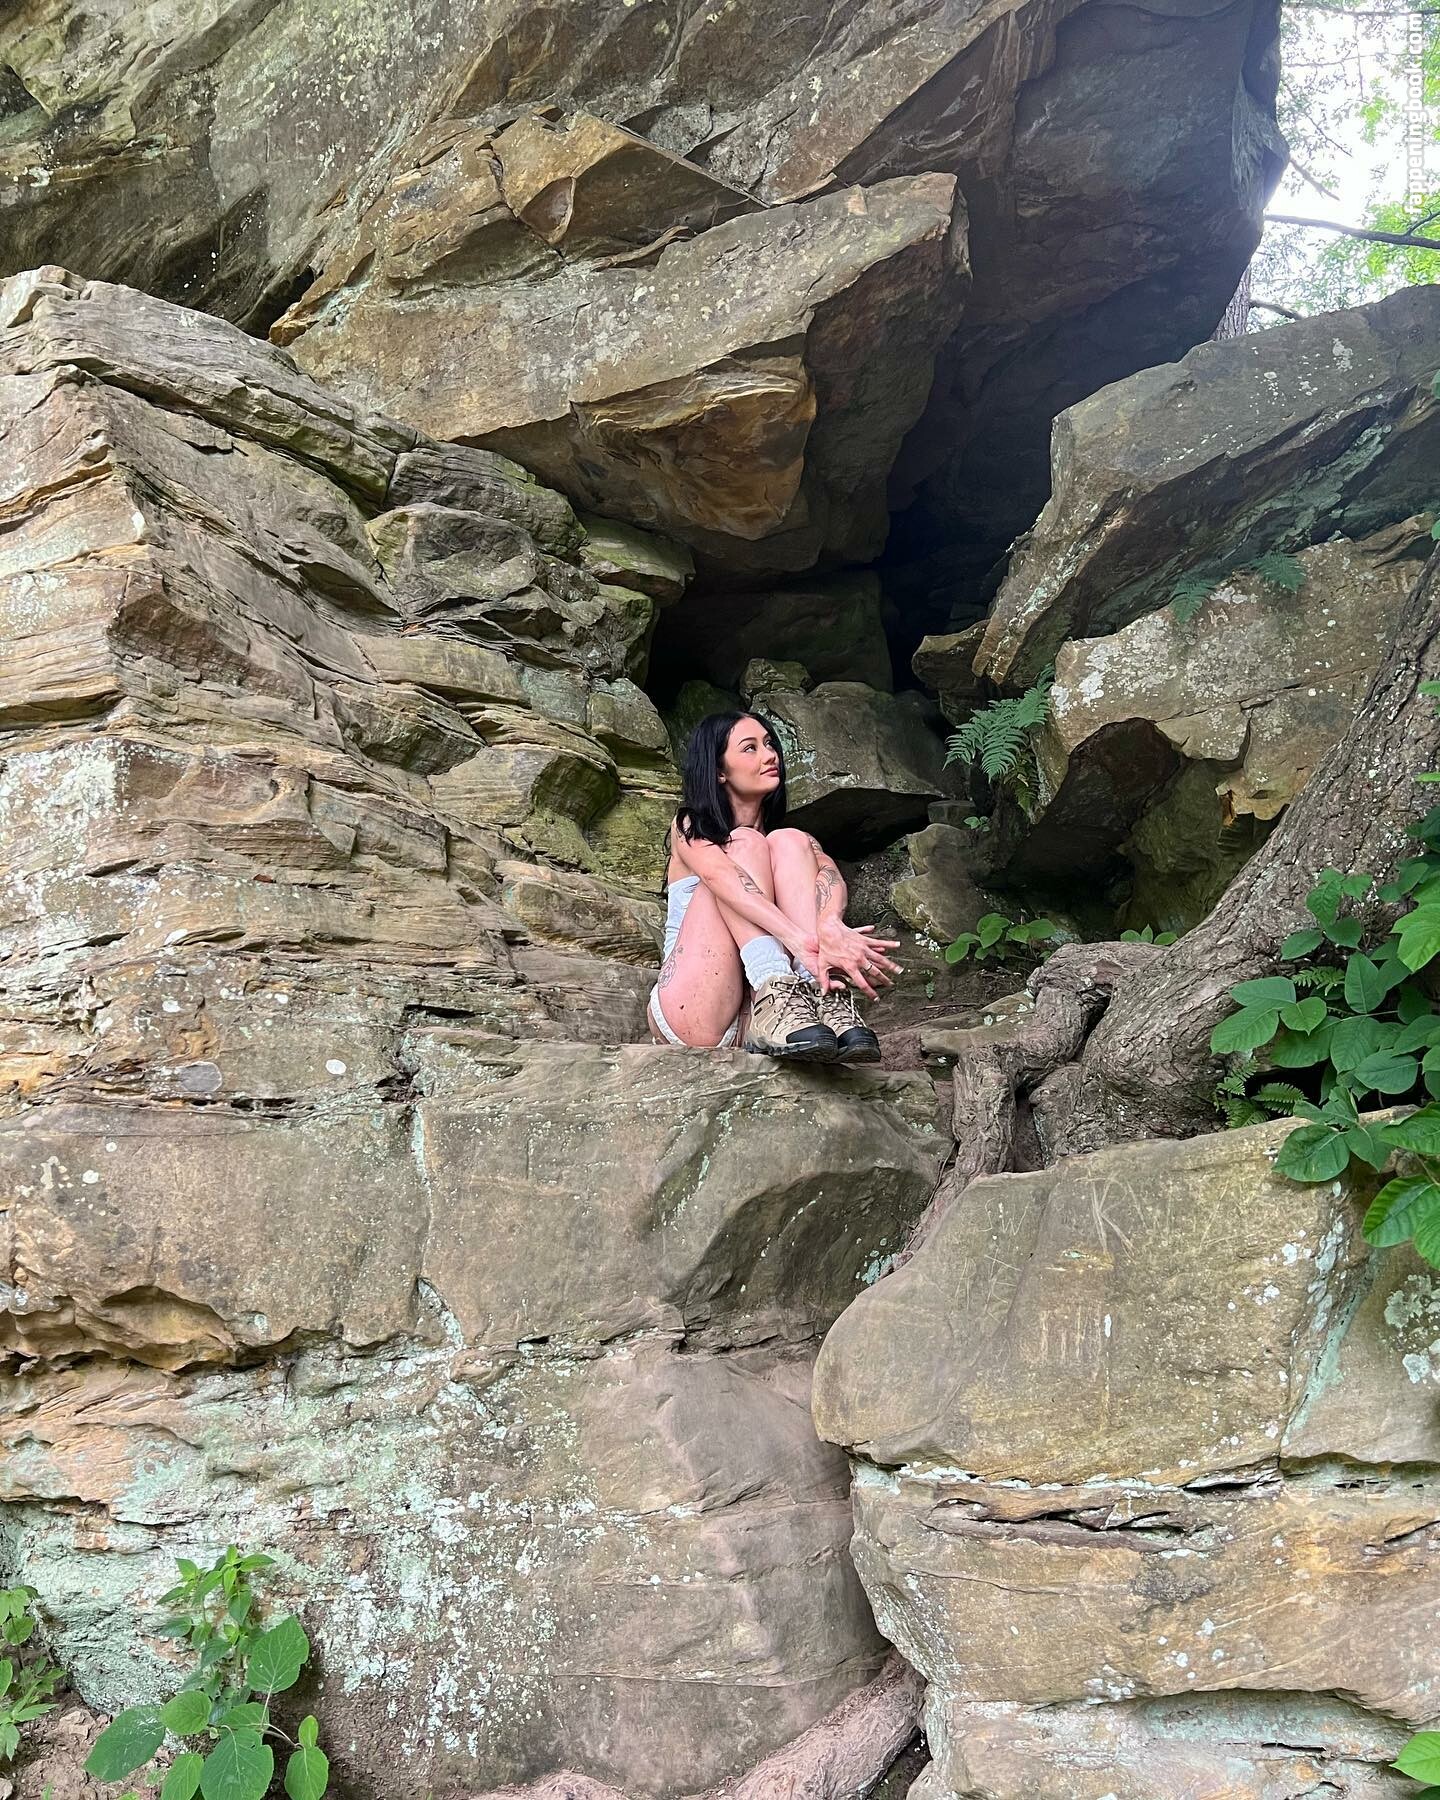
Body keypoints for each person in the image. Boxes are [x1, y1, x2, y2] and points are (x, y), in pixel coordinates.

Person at [646, 710, 903, 1062]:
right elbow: (721, 877)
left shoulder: (789, 845)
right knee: (745, 843)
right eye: (750, 748)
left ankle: (819, 995)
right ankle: (776, 983)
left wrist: (829, 925)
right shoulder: (690, 826)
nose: (770, 755)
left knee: (790, 841)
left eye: (769, 744)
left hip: (790, 1021)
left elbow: (830, 877)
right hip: (696, 1008)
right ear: (719, 771)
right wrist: (803, 943)